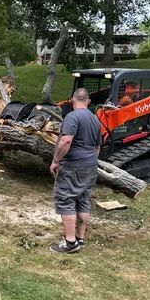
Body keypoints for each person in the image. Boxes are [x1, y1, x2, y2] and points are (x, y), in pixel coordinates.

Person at [49, 88, 101, 253]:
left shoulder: (72, 116)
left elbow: (66, 141)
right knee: (82, 199)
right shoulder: (95, 120)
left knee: (66, 199)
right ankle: (80, 238)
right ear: (88, 101)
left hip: (73, 165)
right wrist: (90, 162)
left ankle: (70, 243)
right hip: (90, 165)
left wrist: (55, 161)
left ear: (72, 100)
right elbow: (97, 147)